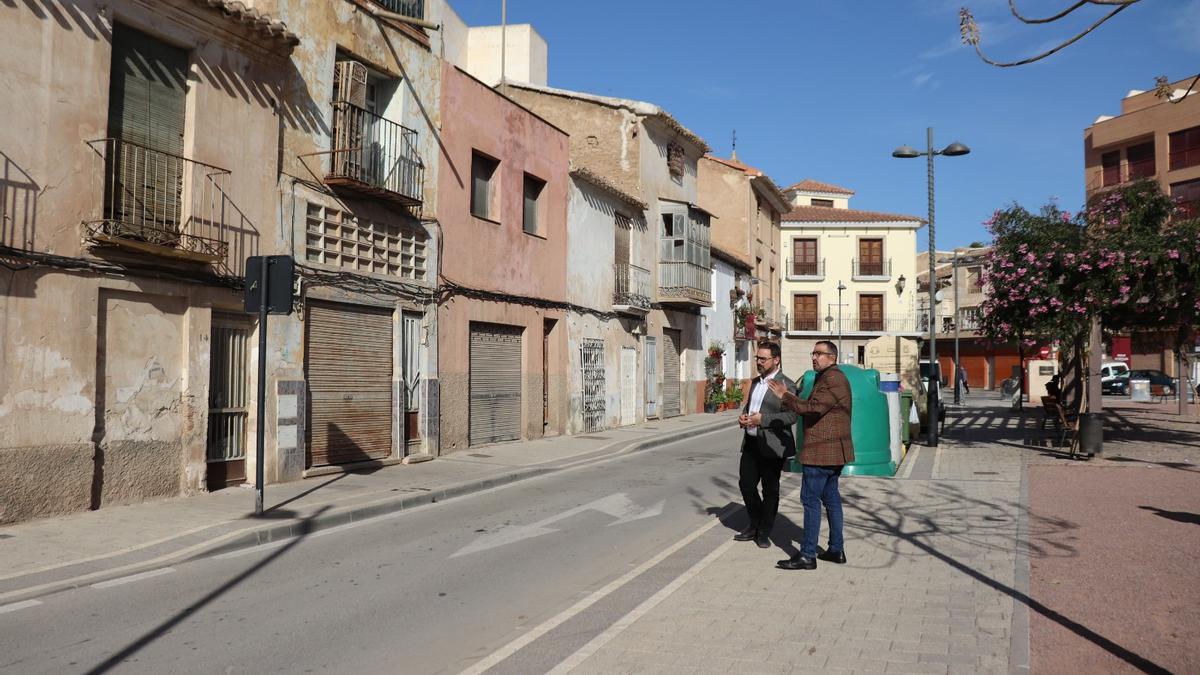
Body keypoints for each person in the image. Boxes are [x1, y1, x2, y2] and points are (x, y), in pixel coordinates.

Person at [767, 340, 854, 570]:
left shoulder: (833, 378)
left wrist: (785, 396)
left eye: (819, 353)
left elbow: (813, 408)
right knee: (831, 499)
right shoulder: (828, 377)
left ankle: (807, 555)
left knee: (810, 500)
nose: (814, 357)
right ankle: (836, 549)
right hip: (832, 451)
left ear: (832, 357)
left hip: (822, 451)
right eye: (813, 353)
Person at [735, 342, 798, 549]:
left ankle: (764, 531)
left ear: (776, 360)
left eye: (763, 359)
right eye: (757, 359)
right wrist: (744, 417)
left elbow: (791, 416)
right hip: (752, 443)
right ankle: (754, 522)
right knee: (746, 484)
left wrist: (763, 420)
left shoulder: (786, 384)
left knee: (770, 490)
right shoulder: (754, 383)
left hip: (773, 446)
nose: (759, 363)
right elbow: (750, 407)